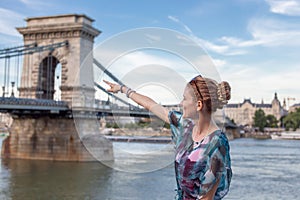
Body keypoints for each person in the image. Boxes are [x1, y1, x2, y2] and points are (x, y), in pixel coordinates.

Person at [104, 75, 232, 200]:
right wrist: (122, 89)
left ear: (198, 105)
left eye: (184, 99)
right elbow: (151, 105)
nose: (181, 103)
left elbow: (206, 198)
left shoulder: (217, 144)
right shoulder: (185, 126)